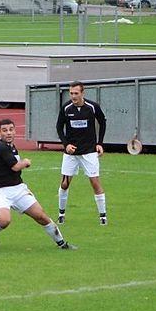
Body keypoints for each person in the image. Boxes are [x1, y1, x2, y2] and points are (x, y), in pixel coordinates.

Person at [0, 118, 75, 250]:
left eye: (11, 129)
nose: (8, 133)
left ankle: (62, 244)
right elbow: (16, 167)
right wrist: (26, 162)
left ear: (15, 131)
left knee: (41, 216)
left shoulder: (11, 146)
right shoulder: (1, 146)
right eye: (4, 130)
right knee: (4, 221)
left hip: (17, 189)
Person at [55, 81, 108, 225]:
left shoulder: (92, 107)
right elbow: (59, 127)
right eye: (71, 93)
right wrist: (66, 145)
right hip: (71, 154)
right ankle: (61, 214)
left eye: (76, 93)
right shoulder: (66, 108)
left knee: (95, 183)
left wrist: (100, 143)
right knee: (65, 184)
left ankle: (103, 217)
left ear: (82, 93)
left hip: (89, 152)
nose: (73, 96)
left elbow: (102, 122)